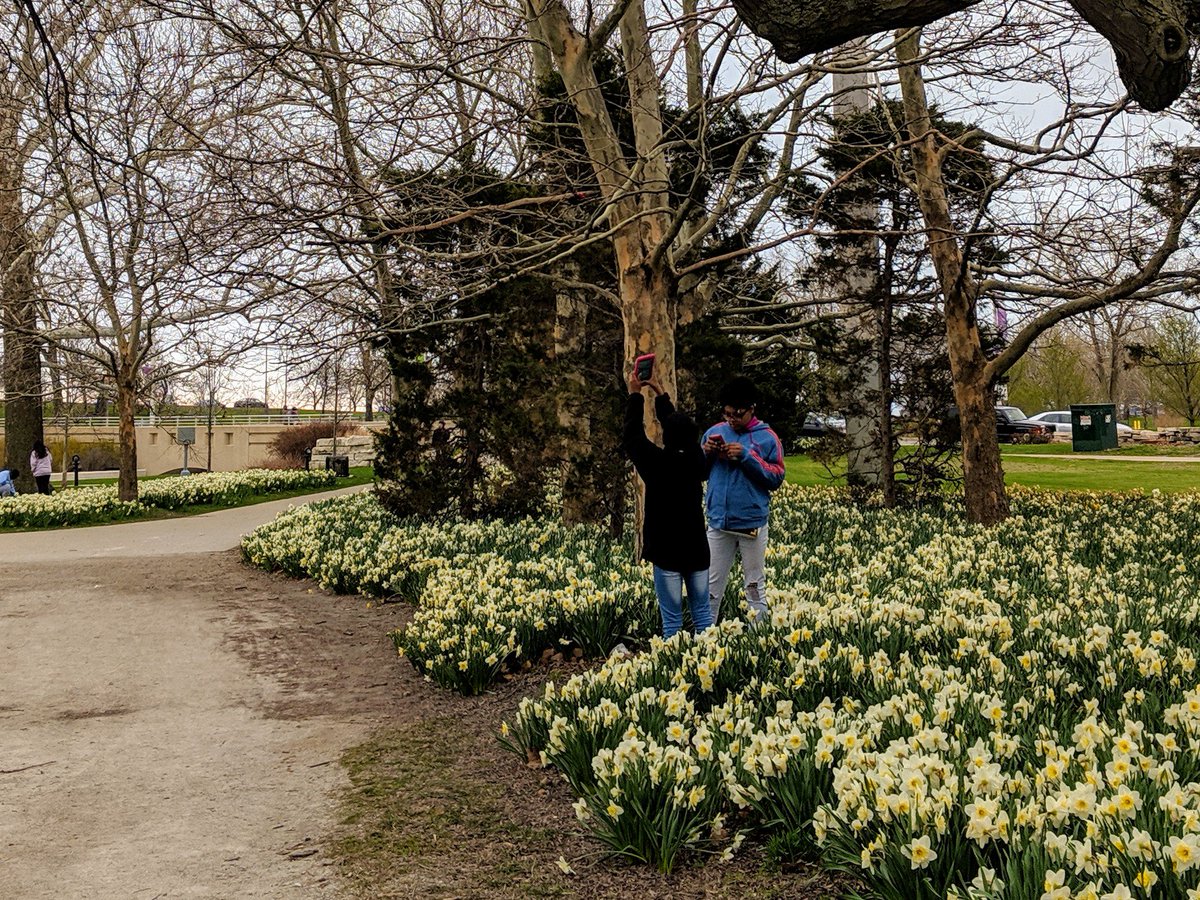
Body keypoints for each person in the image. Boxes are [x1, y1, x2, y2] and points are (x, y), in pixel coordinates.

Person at [622, 367, 713, 639]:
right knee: (703, 615)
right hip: (696, 548)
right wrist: (661, 396)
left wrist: (636, 396)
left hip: (666, 551)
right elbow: (679, 430)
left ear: (666, 435)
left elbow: (633, 437)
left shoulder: (657, 463)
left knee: (672, 620)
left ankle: (673, 671)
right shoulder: (698, 460)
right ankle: (709, 670)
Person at [702, 375, 786, 624]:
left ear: (752, 409)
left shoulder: (767, 437)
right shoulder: (715, 432)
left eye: (737, 414)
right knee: (710, 585)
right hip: (719, 520)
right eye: (727, 413)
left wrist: (747, 457)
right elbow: (699, 472)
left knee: (753, 584)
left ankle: (758, 638)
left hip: (751, 522)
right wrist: (705, 453)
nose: (732, 420)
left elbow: (776, 476)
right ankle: (705, 637)